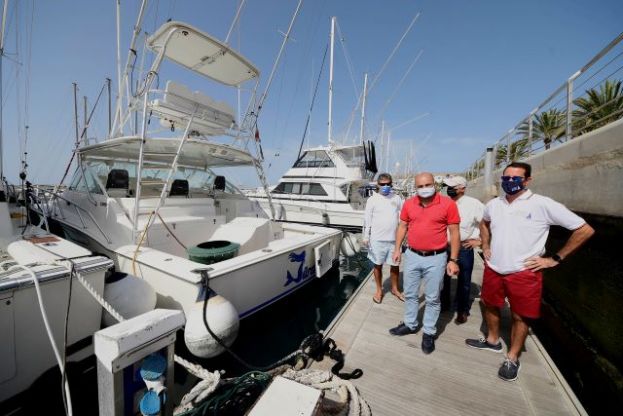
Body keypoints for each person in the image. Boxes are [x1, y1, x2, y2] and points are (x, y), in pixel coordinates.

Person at [465, 162, 594, 382]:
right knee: (490, 305)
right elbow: (485, 223)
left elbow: (584, 229)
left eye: (516, 178)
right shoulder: (494, 204)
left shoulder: (542, 204)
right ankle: (493, 340)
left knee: (519, 315)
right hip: (494, 268)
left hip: (524, 272)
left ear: (527, 180)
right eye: (506, 178)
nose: (510, 182)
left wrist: (554, 259)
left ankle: (513, 357)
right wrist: (485, 245)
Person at [389, 172, 460, 354]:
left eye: (427, 185)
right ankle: (410, 324)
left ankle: (428, 332)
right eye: (420, 186)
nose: (424, 189)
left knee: (433, 298)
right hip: (412, 255)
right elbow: (403, 226)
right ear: (416, 187)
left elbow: (454, 232)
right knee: (411, 293)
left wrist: (453, 260)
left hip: (436, 258)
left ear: (434, 185)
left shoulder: (448, 204)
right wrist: (397, 249)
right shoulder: (409, 203)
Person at [440, 175, 485, 324]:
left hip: (464, 248)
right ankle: (444, 304)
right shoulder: (443, 202)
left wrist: (479, 241)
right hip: (443, 247)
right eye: (448, 186)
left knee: (464, 281)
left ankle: (462, 310)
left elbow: (486, 224)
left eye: (452, 186)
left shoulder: (474, 204)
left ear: (462, 188)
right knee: (443, 278)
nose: (449, 189)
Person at [362, 173, 404, 304]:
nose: (385, 186)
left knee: (395, 266)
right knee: (377, 265)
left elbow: (402, 218)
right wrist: (365, 236)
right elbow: (367, 219)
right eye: (383, 184)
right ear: (377, 185)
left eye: (388, 184)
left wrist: (405, 236)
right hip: (377, 239)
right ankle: (379, 290)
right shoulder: (372, 200)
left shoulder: (397, 198)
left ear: (391, 184)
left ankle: (395, 288)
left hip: (394, 240)